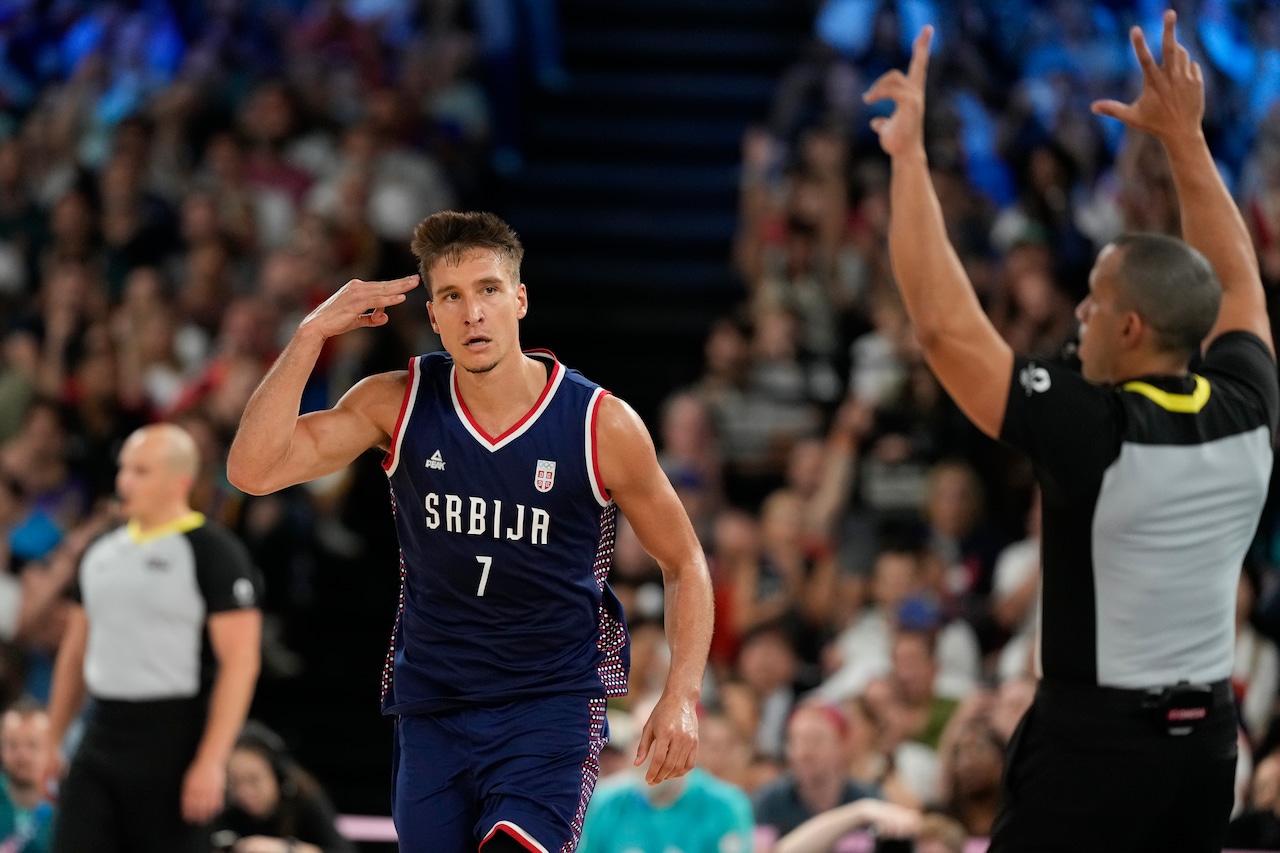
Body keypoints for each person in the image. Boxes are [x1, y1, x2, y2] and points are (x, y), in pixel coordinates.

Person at [864, 10, 1275, 853]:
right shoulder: (1249, 404)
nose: (1079, 312)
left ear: (1130, 330)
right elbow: (1238, 286)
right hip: (1205, 750)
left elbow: (944, 330)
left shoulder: (1094, 429)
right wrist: (1188, 143)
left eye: (1095, 298)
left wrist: (907, 164)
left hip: (1095, 749)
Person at [226, 210, 715, 853]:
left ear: (520, 298)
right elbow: (252, 471)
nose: (472, 313)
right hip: (434, 703)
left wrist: (681, 695)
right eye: (451, 297)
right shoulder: (396, 401)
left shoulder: (600, 423)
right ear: (432, 316)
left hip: (550, 704)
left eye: (487, 290)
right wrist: (311, 332)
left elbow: (684, 561)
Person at [46, 423, 264, 853]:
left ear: (179, 480)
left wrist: (211, 760)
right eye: (124, 469)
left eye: (141, 471)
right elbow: (75, 651)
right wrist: (54, 738)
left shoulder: (214, 552)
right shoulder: (99, 551)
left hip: (174, 740)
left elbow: (241, 662)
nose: (124, 481)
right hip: (102, 732)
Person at [576, 693, 754, 853]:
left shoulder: (725, 806)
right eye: (638, 737)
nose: (646, 750)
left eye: (659, 738)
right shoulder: (605, 802)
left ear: (687, 743)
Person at [210, 719, 356, 853]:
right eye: (234, 782)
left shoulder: (304, 799)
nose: (244, 792)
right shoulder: (226, 811)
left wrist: (286, 849)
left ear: (278, 774)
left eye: (254, 780)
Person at [0, 698, 55, 852]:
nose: (22, 756)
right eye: (13, 745)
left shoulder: (71, 805)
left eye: (32, 745)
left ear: (50, 747)